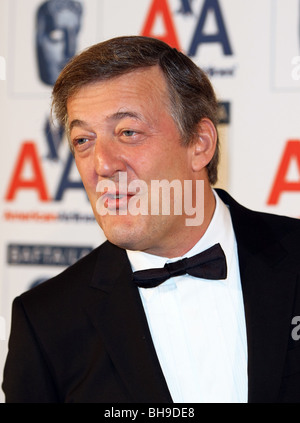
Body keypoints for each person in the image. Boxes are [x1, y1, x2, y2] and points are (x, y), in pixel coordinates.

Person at [2, 36, 300, 403]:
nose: (102, 164)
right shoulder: (46, 324)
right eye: (83, 140)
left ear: (200, 143)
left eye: (128, 132)